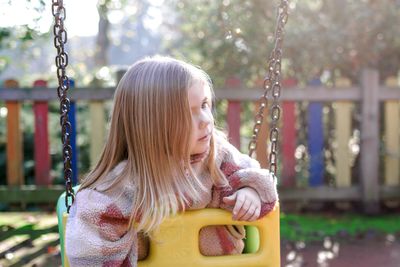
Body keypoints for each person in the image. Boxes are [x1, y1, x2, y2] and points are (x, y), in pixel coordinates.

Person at [65, 56, 278, 266]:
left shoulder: (218, 156)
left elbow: (255, 176)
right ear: (153, 127)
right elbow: (90, 239)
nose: (206, 120)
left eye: (204, 105)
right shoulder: (126, 184)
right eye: (188, 114)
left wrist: (250, 192)